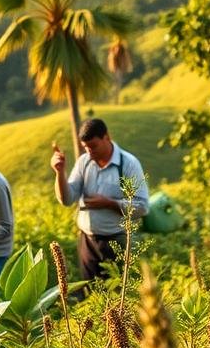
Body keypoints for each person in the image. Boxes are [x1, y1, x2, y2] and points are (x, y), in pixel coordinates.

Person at [50, 117, 149, 281]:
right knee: (91, 294)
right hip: (88, 242)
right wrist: (59, 173)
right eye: (85, 147)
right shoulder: (84, 162)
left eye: (93, 146)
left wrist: (109, 203)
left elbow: (142, 207)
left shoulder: (128, 164)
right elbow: (67, 199)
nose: (89, 151)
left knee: (117, 294)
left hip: (117, 241)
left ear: (107, 137)